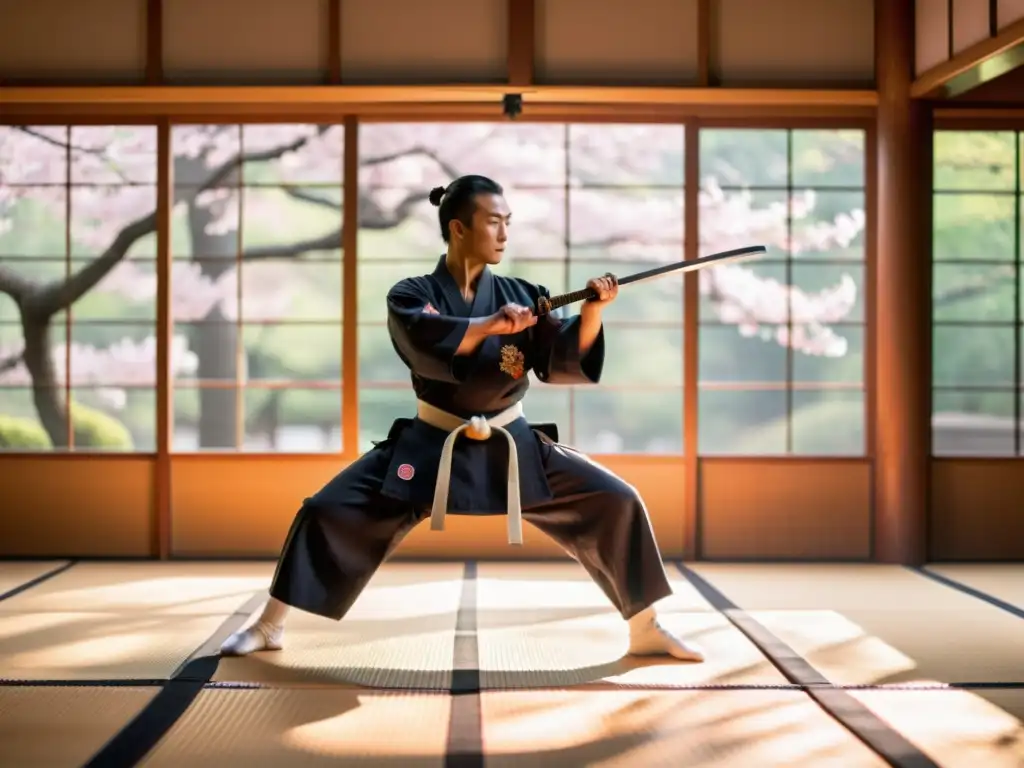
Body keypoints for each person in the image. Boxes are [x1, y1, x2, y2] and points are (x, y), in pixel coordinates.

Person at [220, 174, 704, 663]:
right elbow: (423, 338)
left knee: (617, 500)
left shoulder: (524, 292)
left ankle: (646, 627)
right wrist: (490, 325)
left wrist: (595, 312)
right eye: (493, 222)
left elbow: (558, 357)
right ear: (458, 228)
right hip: (430, 444)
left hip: (512, 445)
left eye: (507, 223)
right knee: (326, 510)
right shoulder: (411, 293)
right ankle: (269, 624)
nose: (504, 234)